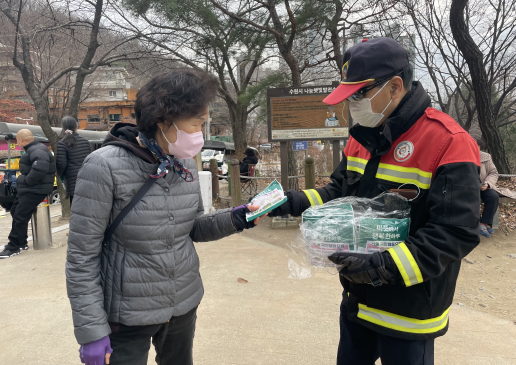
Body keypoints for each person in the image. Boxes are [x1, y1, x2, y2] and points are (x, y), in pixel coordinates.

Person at [268, 38, 481, 365]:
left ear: (395, 87)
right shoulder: (362, 138)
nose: (351, 105)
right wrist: (290, 202)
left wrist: (382, 266)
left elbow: (455, 233)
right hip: (357, 298)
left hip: (409, 311)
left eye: (358, 95)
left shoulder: (449, 142)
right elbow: (338, 193)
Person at [66, 68, 263, 365]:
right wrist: (91, 330)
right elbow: (82, 256)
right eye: (196, 124)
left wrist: (236, 218)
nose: (199, 133)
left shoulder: (183, 162)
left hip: (182, 303)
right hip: (127, 314)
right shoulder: (102, 167)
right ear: (164, 118)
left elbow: (193, 226)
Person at [0, 129, 56, 258]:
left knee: (20, 215)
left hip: (35, 189)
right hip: (31, 188)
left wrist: (25, 180)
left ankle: (14, 246)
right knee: (15, 211)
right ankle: (22, 241)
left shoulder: (37, 150)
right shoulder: (36, 149)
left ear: (20, 140)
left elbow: (40, 169)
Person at [476, 137, 516, 238]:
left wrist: (487, 183)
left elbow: (493, 173)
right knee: (472, 198)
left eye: (477, 148)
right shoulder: (463, 157)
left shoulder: (486, 157)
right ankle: (476, 224)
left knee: (493, 197)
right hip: (469, 188)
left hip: (484, 186)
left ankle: (484, 223)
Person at [56, 116, 92, 207]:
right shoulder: (85, 142)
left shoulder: (62, 143)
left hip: (73, 181)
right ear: (76, 126)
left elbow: (61, 164)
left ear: (63, 128)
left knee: (76, 207)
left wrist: (60, 174)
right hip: (87, 179)